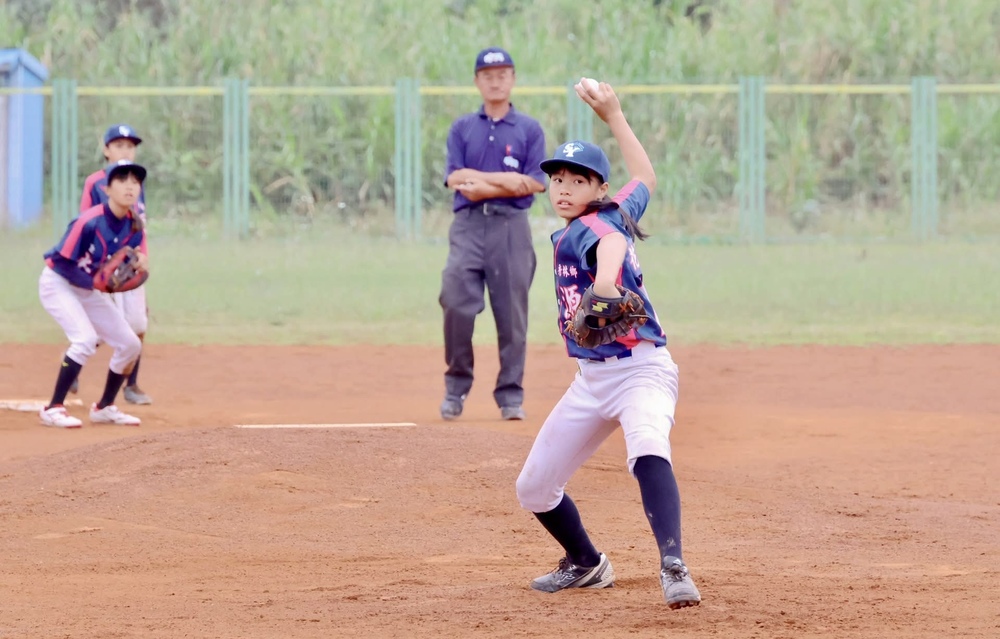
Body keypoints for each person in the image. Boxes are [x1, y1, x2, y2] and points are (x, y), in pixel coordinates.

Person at [514, 79, 702, 609]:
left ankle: (673, 564)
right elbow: (646, 176)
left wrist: (603, 286)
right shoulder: (616, 208)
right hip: (592, 380)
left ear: (598, 188)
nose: (564, 188)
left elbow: (612, 244)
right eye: (558, 179)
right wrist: (614, 114)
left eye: (578, 180)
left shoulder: (596, 226)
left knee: (647, 446)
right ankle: (585, 563)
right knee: (534, 488)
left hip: (642, 370)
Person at [439, 46, 547, 422]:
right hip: (468, 226)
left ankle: (510, 395)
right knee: (455, 299)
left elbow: (535, 182)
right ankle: (456, 386)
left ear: (513, 79)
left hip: (511, 228)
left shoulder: (528, 129)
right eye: (488, 75)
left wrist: (482, 184)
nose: (495, 81)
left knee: (512, 313)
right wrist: (504, 181)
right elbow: (455, 177)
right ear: (477, 81)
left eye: (502, 74)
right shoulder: (462, 128)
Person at [38, 160, 150, 428]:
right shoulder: (88, 221)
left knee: (130, 344)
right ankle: (53, 408)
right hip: (58, 284)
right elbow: (60, 263)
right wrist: (96, 283)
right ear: (107, 189)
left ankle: (104, 407)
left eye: (135, 181)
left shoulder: (134, 227)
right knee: (85, 339)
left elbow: (128, 259)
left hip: (87, 288)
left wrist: (137, 263)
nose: (130, 186)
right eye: (122, 180)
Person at [69, 123, 153, 405]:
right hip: (103, 265)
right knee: (103, 326)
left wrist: (143, 255)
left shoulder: (137, 183)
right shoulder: (95, 182)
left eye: (130, 146)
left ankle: (132, 384)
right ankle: (72, 365)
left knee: (137, 322)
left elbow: (139, 225)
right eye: (118, 145)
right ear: (106, 150)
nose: (125, 150)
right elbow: (85, 222)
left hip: (129, 263)